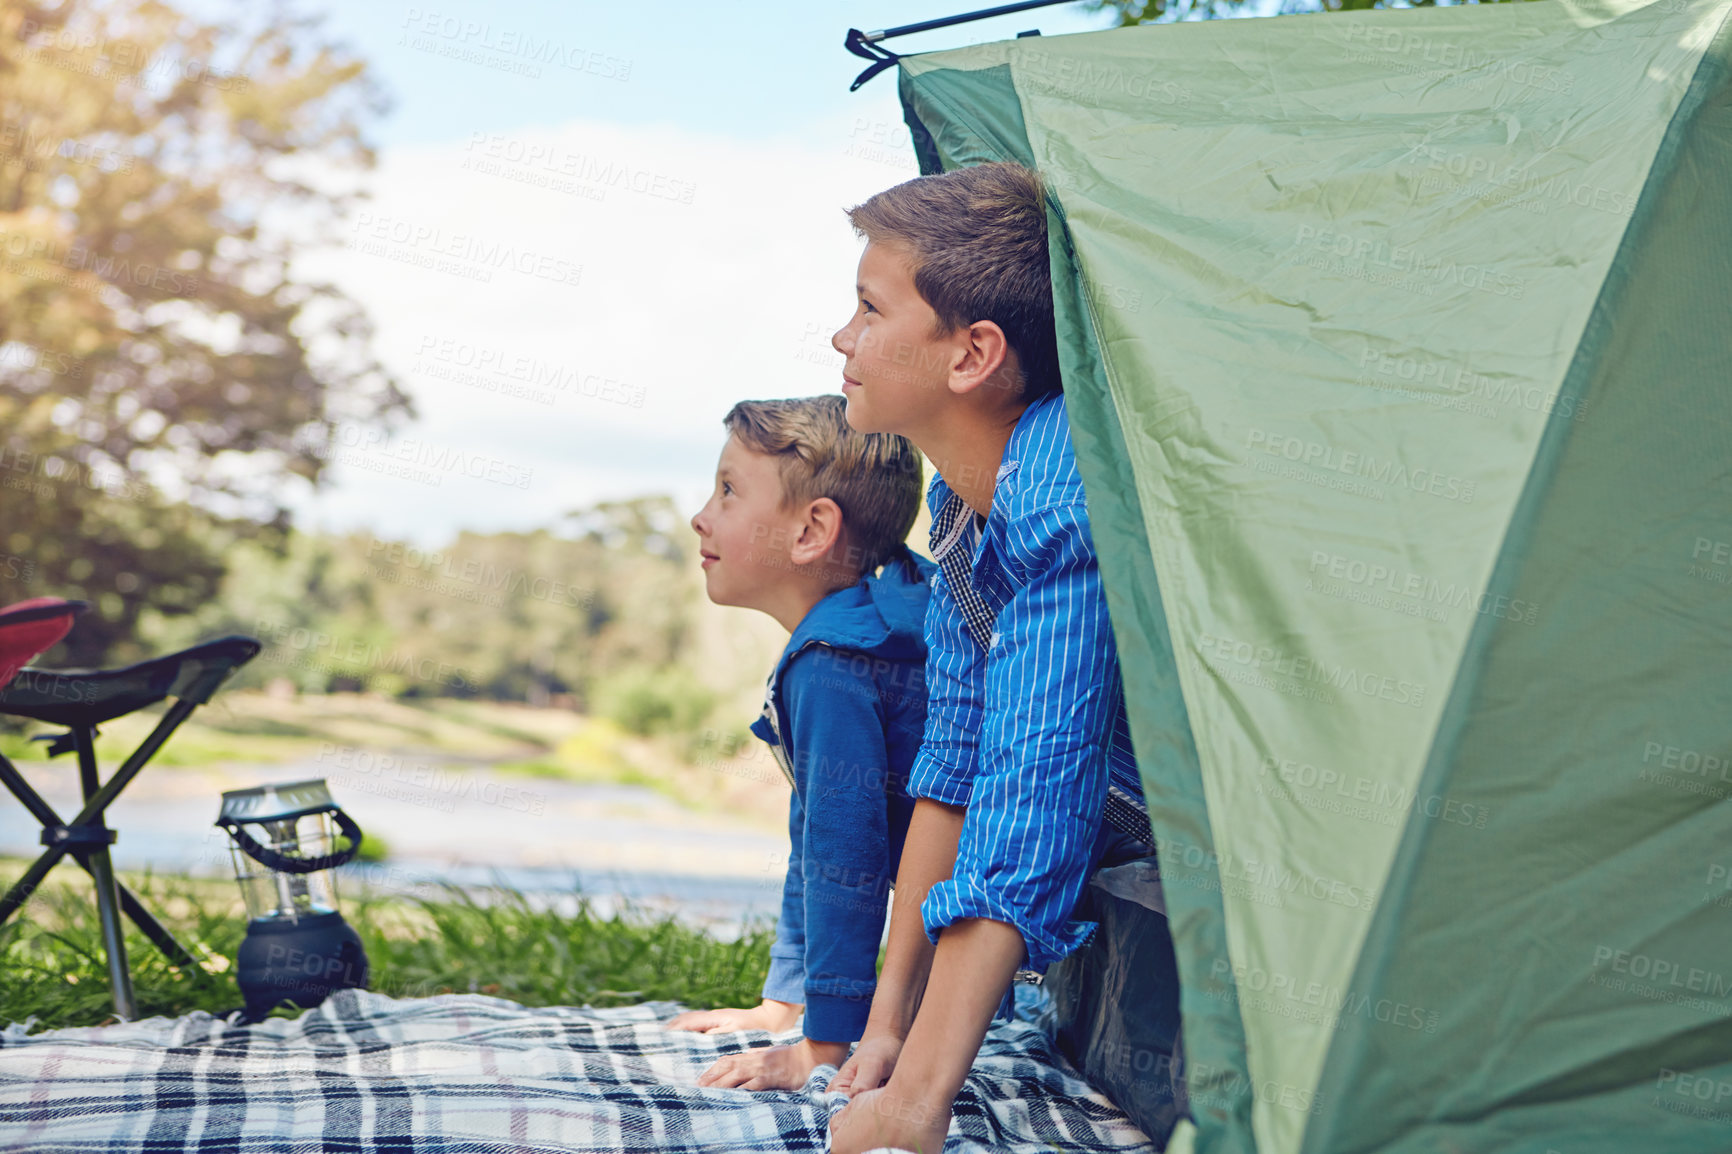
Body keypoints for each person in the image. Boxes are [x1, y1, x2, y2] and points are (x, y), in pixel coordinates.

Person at [825, 161, 1161, 1154]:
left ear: (971, 353)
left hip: (1177, 825)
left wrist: (917, 1102)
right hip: (1091, 806)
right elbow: (956, 760)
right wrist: (888, 1024)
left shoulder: (1058, 491)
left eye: (868, 309)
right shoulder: (963, 502)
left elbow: (1033, 789)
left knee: (1028, 789)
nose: (841, 339)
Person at [666, 395, 934, 1092]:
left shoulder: (835, 663)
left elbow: (847, 861)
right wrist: (781, 1005)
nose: (702, 516)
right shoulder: (868, 626)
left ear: (813, 530)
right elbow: (813, 837)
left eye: (728, 491)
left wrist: (820, 1046)